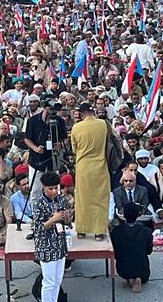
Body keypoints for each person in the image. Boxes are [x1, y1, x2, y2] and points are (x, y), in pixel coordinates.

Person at [71, 102, 109, 240]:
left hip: (83, 167)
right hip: (100, 165)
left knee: (82, 199)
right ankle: (99, 231)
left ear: (82, 114)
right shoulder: (103, 124)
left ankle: (82, 230)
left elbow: (74, 149)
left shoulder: (76, 127)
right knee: (100, 198)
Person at [33, 172, 70, 302]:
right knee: (49, 282)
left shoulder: (61, 199)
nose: (54, 191)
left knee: (58, 280)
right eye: (51, 188)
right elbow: (38, 229)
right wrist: (53, 219)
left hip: (60, 244)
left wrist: (66, 218)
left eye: (56, 188)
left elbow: (67, 223)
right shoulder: (39, 204)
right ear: (44, 187)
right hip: (46, 247)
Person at [23, 100, 67, 205]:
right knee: (36, 190)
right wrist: (35, 148)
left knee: (55, 189)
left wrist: (60, 145)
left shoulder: (59, 121)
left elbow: (65, 138)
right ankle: (36, 213)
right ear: (44, 107)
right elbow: (27, 139)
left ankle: (55, 210)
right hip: (37, 159)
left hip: (53, 158)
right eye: (50, 108)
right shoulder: (33, 120)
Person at [110, 202, 153, 293]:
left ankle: (126, 277)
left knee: (124, 259)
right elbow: (149, 251)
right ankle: (138, 278)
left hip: (122, 268)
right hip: (141, 269)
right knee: (142, 270)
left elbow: (114, 252)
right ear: (138, 215)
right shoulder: (146, 231)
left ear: (124, 215)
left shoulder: (116, 231)